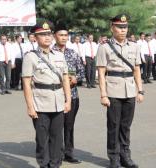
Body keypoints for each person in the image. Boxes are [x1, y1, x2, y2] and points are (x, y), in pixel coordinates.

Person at [22, 19, 71, 168]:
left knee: (57, 139)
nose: (47, 37)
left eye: (49, 34)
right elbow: (26, 83)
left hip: (58, 101)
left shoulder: (59, 55)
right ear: (35, 38)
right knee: (42, 139)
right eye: (43, 34)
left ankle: (55, 165)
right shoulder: (31, 57)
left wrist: (68, 100)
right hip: (40, 103)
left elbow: (65, 79)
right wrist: (30, 106)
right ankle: (44, 165)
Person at [96, 14, 144, 168]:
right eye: (119, 27)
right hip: (113, 91)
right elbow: (101, 73)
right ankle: (114, 158)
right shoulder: (104, 47)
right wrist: (103, 94)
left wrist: (140, 90)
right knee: (113, 126)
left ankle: (125, 155)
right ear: (112, 28)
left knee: (126, 126)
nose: (123, 30)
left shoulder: (134, 46)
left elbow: (137, 70)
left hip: (130, 90)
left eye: (125, 27)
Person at [52, 22, 85, 164]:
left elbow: (82, 71)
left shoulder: (72, 53)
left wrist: (76, 78)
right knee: (56, 127)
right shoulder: (49, 53)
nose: (64, 38)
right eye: (61, 35)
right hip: (55, 96)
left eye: (66, 35)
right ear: (55, 36)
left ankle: (68, 153)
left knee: (69, 126)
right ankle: (56, 153)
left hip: (72, 96)